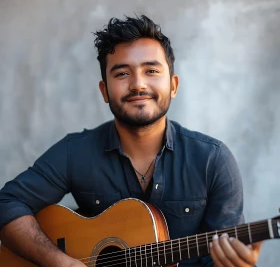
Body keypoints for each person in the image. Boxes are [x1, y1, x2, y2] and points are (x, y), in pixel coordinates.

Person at [0, 15, 262, 267]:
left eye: (151, 70)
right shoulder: (75, 152)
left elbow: (225, 256)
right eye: (122, 73)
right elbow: (7, 204)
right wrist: (58, 261)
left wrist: (237, 264)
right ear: (104, 91)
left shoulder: (213, 160)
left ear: (173, 85)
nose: (138, 84)